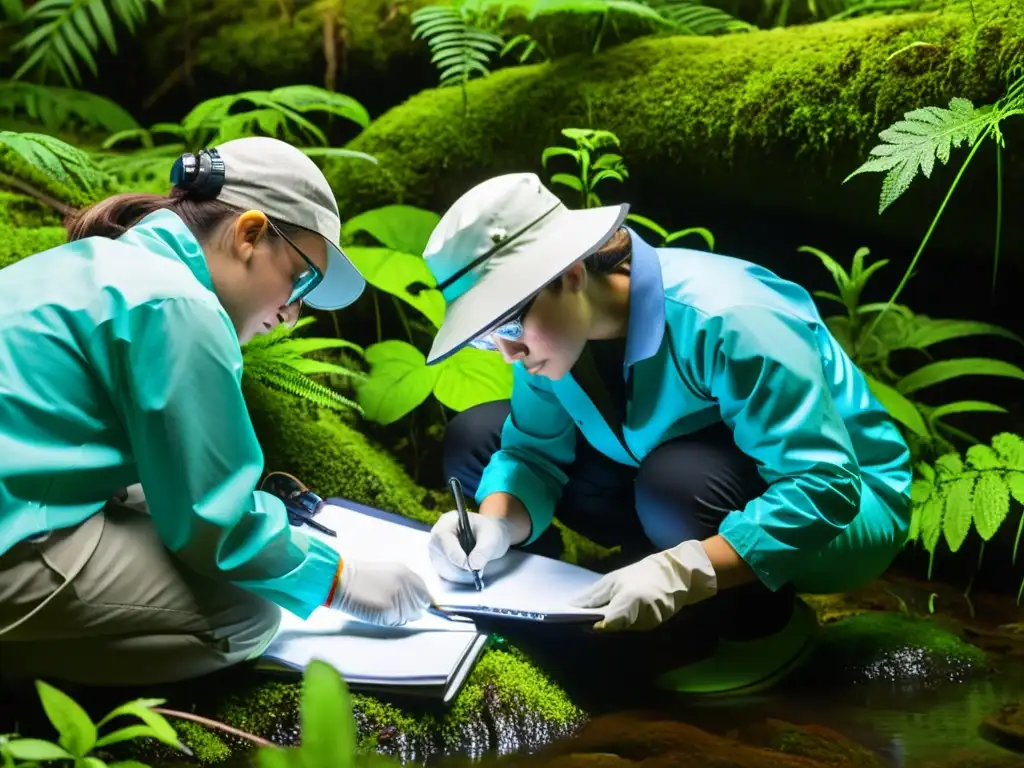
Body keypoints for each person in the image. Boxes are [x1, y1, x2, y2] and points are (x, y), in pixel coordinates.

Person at [423, 172, 913, 695]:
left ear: (569, 275)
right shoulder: (553, 335)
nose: (508, 353)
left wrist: (685, 570)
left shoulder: (729, 316)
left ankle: (763, 628)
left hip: (847, 505)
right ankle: (538, 602)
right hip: (673, 475)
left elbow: (825, 483)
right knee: (477, 437)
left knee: (675, 485)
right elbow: (532, 453)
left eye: (511, 324)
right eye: (485, 336)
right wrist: (493, 527)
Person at [0, 137, 432, 687]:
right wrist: (338, 579)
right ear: (249, 234)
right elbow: (213, 520)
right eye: (302, 280)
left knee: (142, 502)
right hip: (14, 543)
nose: (293, 315)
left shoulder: (82, 263)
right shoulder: (178, 304)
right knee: (247, 617)